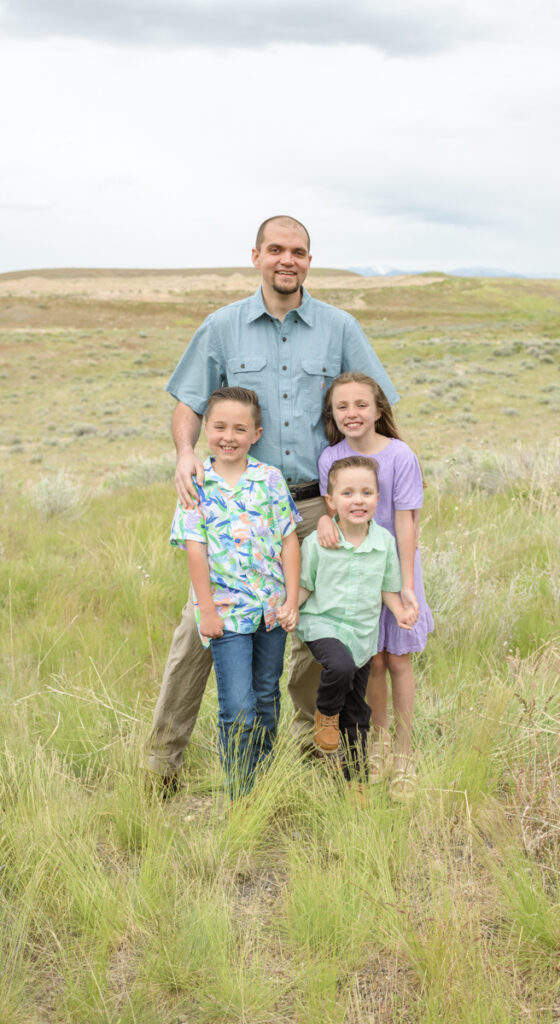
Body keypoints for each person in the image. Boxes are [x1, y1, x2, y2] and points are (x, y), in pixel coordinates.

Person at [146, 215, 398, 785]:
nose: (289, 260)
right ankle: (162, 761)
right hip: (239, 507)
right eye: (277, 250)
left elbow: (371, 412)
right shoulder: (222, 326)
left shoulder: (339, 328)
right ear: (256, 255)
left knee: (318, 628)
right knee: (198, 630)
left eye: (300, 252)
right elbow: (188, 403)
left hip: (315, 508)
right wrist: (186, 453)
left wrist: (373, 494)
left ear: (310, 260)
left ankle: (314, 754)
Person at [169, 386, 300, 798]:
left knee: (266, 696)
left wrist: (292, 599)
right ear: (206, 428)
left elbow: (289, 540)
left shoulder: (270, 479)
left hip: (271, 611)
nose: (229, 436)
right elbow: (195, 550)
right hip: (225, 615)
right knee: (238, 706)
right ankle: (238, 790)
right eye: (220, 426)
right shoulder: (197, 483)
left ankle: (262, 779)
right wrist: (205, 611)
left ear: (256, 434)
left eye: (239, 429)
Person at [316, 372, 433, 800]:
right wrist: (327, 523)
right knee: (373, 661)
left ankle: (404, 754)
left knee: (398, 658)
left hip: (397, 565)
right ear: (332, 414)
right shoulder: (331, 457)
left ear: (379, 410)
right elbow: (333, 505)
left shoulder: (400, 456)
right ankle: (378, 745)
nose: (352, 414)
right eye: (342, 406)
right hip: (357, 570)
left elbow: (406, 521)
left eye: (361, 405)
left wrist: (406, 585)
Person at [296, 456, 416, 793]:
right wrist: (289, 608)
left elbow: (388, 589)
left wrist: (400, 611)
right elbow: (305, 585)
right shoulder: (316, 544)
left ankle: (356, 783)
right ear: (331, 501)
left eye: (366, 492)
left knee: (358, 713)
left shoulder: (384, 544)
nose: (358, 500)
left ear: (378, 498)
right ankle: (325, 713)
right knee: (339, 666)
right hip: (324, 625)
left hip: (363, 635)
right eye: (348, 493)